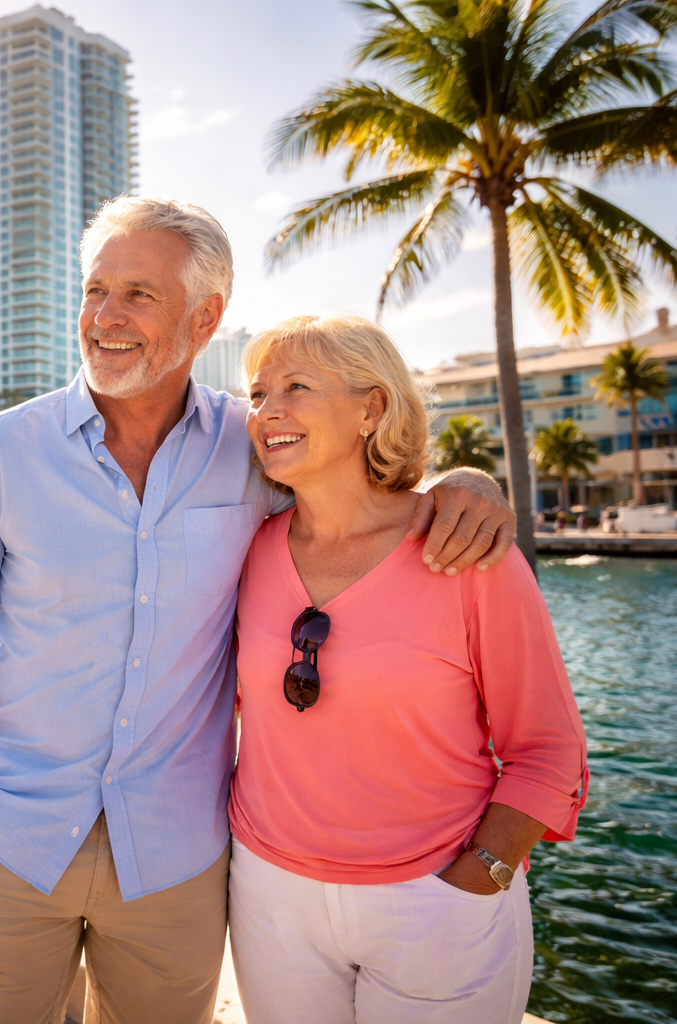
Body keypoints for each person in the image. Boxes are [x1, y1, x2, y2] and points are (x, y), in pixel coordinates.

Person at [0, 196, 516, 1024]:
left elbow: (360, 494)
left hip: (178, 861)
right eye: (96, 291)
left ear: (206, 317)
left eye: (138, 294)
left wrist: (464, 484)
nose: (105, 317)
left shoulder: (255, 446)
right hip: (13, 839)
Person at [227, 314, 588, 1023]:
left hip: (437, 900)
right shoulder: (245, 549)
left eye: (296, 387)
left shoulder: (467, 551)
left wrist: (480, 877)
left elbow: (549, 749)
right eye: (259, 394)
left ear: (372, 408)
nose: (267, 410)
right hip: (270, 895)